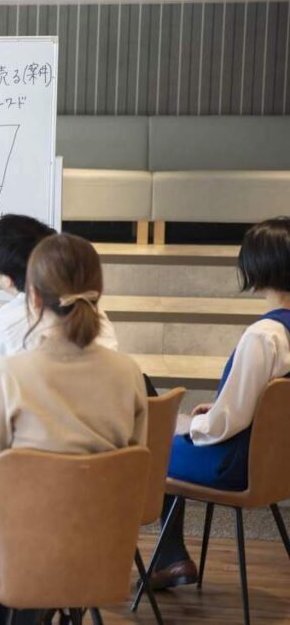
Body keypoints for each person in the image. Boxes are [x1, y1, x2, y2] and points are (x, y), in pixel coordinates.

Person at [0, 233, 147, 625]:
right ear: (98, 293)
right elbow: (135, 472)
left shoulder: (10, 375)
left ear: (33, 297)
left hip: (25, 550)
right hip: (103, 552)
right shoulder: (128, 373)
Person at [148, 216, 290, 590]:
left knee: (155, 446)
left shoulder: (264, 336)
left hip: (236, 465)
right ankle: (171, 558)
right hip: (278, 466)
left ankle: (167, 558)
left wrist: (191, 426)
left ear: (257, 266)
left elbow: (226, 424)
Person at [0, 214, 119, 504]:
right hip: (102, 492)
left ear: (33, 297)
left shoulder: (0, 336)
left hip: (32, 484)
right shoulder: (101, 327)